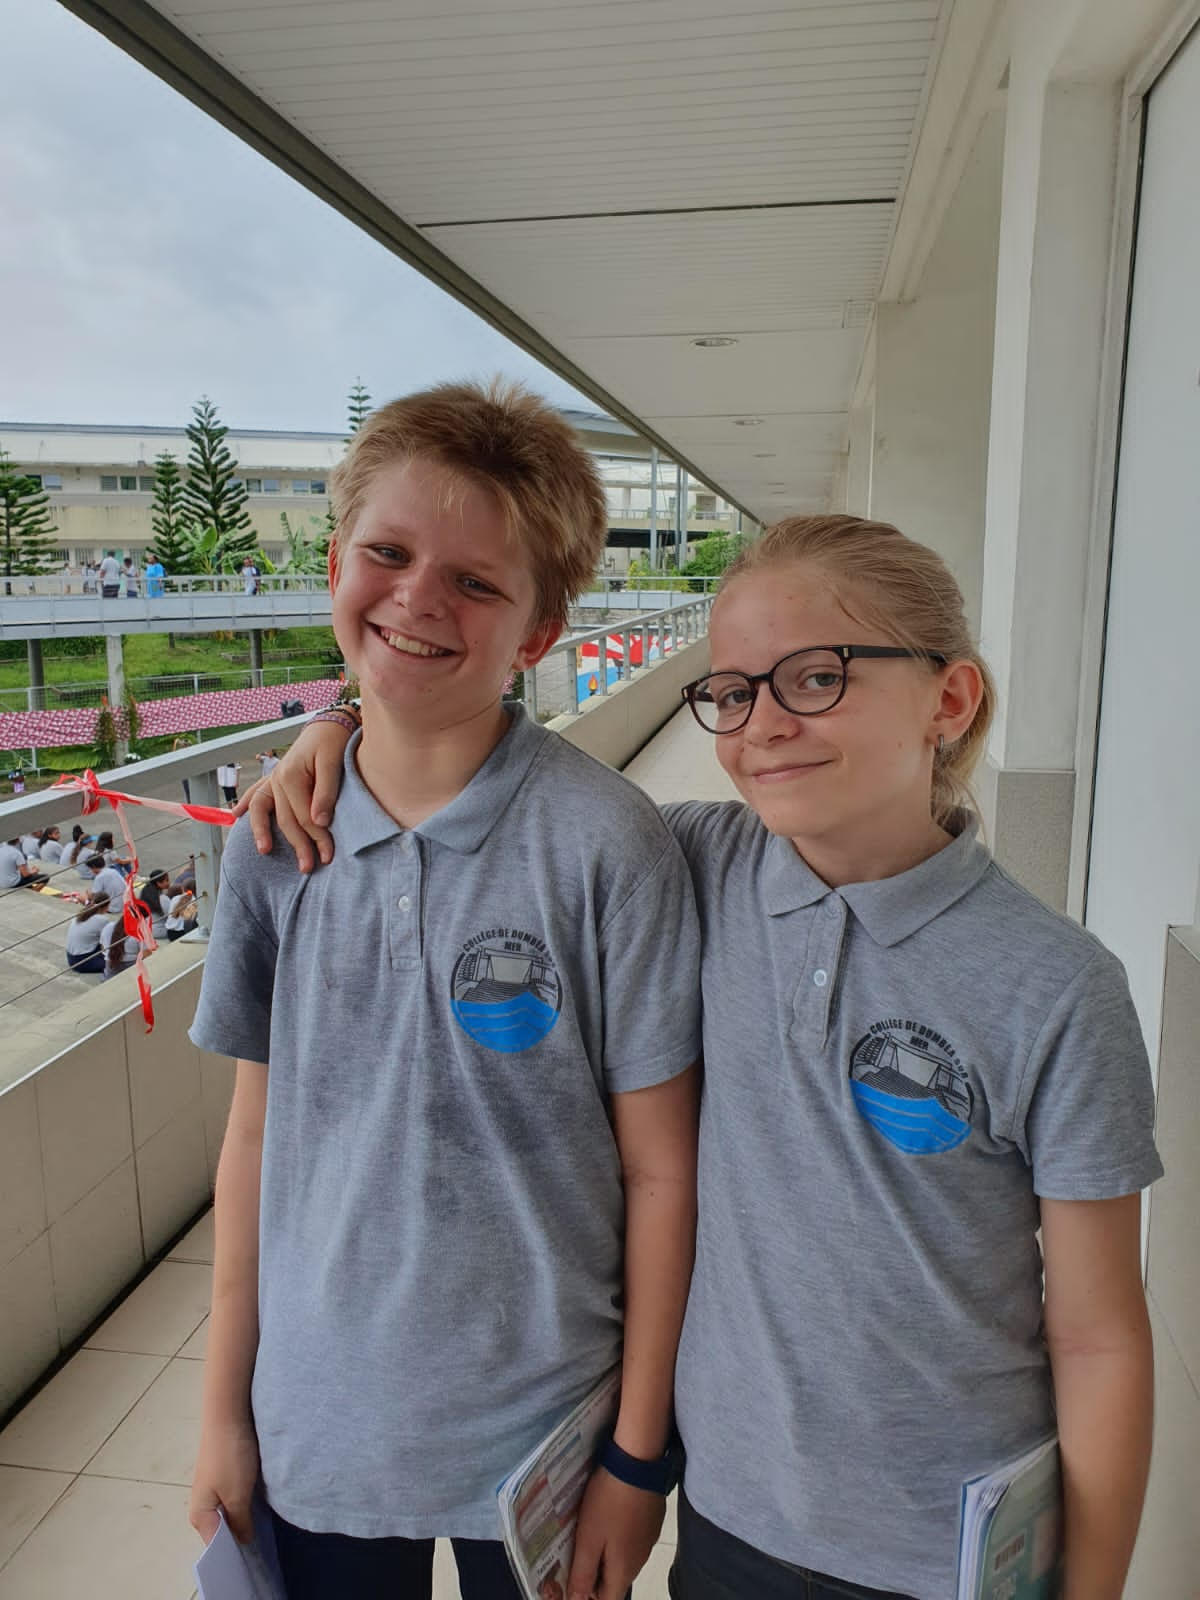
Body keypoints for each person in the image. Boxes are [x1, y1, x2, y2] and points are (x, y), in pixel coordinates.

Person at [251, 512, 1162, 1600]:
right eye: (733, 691)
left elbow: (1099, 1337)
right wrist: (342, 725)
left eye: (817, 678)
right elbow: (498, 788)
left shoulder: (1059, 987)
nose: (762, 724)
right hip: (731, 1517)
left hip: (947, 1545)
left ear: (950, 699)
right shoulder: (691, 863)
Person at [188, 380, 702, 1600]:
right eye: (389, 554)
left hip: (546, 1443)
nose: (420, 598)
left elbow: (660, 1171)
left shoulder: (605, 844)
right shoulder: (273, 843)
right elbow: (253, 1139)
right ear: (334, 565)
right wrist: (221, 1410)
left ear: (539, 632)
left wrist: (639, 1457)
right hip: (320, 1424)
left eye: (475, 581)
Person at [65, 893, 111, 973]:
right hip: (82, 962)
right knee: (118, 962)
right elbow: (108, 942)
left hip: (71, 958)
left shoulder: (81, 914)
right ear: (105, 907)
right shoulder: (102, 920)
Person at [139, 868, 172, 941]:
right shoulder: (163, 899)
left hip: (145, 929)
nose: (169, 882)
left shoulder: (144, 893)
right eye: (166, 880)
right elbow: (171, 915)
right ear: (158, 883)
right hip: (159, 931)